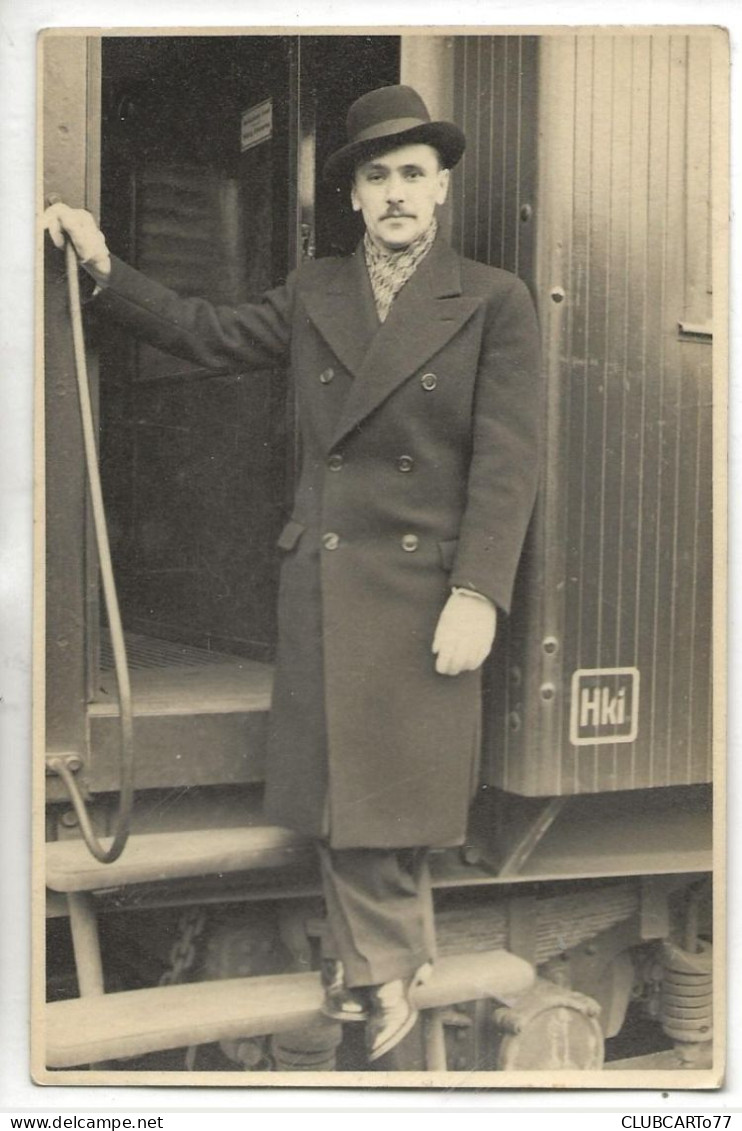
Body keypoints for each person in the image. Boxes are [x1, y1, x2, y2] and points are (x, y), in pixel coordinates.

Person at [45, 84, 542, 1064]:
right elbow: (204, 333)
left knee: (384, 795)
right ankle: (383, 969)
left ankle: (379, 972)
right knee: (346, 793)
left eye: (411, 173)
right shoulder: (317, 293)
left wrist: (479, 590)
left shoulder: (493, 300)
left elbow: (508, 459)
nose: (395, 192)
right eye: (376, 176)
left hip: (426, 589)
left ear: (439, 187)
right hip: (327, 581)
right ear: (352, 195)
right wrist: (105, 267)